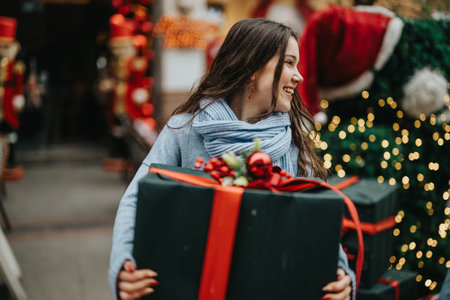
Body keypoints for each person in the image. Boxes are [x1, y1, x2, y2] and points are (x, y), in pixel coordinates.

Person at [109, 18, 355, 300]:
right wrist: (124, 267)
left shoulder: (294, 143)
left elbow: (319, 221)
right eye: (288, 63)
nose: (298, 76)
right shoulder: (185, 130)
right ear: (252, 67)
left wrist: (341, 275)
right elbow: (136, 199)